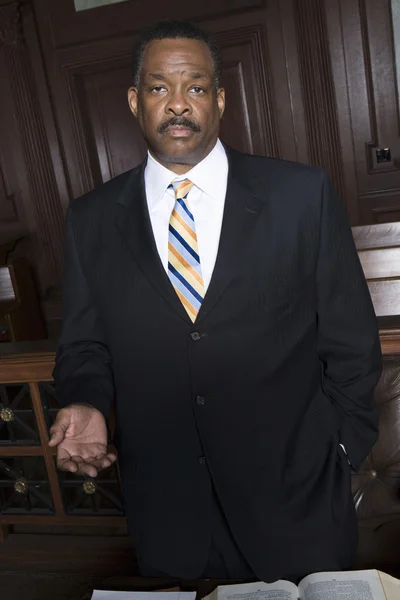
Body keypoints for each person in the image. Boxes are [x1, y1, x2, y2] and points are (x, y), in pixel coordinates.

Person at [50, 19, 382, 583]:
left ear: (219, 99)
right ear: (135, 101)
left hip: (295, 499)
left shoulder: (300, 195)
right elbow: (85, 344)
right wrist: (85, 401)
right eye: (159, 88)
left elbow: (350, 337)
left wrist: (340, 449)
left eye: (196, 87)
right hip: (169, 510)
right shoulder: (90, 219)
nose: (178, 105)